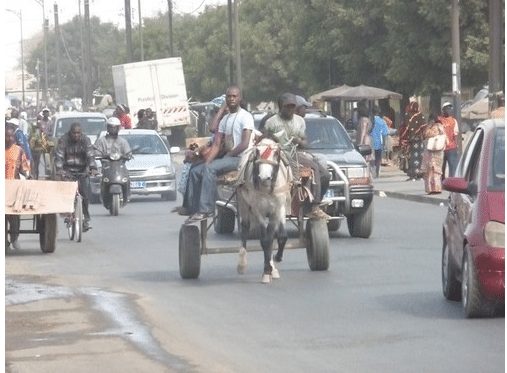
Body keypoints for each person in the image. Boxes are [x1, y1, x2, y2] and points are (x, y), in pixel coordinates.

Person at [185, 86, 254, 222]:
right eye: (229, 96)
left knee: (210, 169)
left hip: (242, 158)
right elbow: (216, 144)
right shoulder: (225, 119)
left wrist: (229, 155)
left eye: (234, 96)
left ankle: (206, 210)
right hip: (229, 158)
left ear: (240, 98)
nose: (232, 99)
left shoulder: (246, 117)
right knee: (196, 170)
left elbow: (245, 144)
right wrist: (208, 161)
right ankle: (194, 209)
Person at [263, 92, 330, 218]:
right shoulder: (271, 122)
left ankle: (314, 204)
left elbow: (304, 143)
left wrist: (298, 141)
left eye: (293, 106)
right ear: (280, 106)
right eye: (287, 106)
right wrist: (273, 139)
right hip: (276, 155)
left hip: (294, 154)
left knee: (324, 174)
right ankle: (314, 207)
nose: (290, 109)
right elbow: (264, 141)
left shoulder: (299, 121)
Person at [54, 123, 99, 231]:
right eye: (74, 133)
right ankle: (67, 213)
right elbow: (59, 155)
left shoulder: (86, 140)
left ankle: (85, 220)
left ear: (81, 133)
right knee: (66, 193)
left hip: (82, 170)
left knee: (85, 195)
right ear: (70, 132)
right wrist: (60, 169)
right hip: (67, 170)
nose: (76, 135)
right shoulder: (63, 140)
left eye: (78, 133)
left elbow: (90, 154)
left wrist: (93, 167)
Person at [94, 117, 133, 205]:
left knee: (127, 177)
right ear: (107, 128)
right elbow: (96, 151)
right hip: (107, 165)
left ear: (118, 128)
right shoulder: (101, 141)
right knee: (102, 179)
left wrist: (128, 156)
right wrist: (101, 155)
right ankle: (103, 193)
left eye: (115, 127)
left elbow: (128, 152)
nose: (113, 129)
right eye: (111, 127)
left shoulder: (122, 141)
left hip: (120, 165)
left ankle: (128, 193)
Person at [5, 124, 31, 250]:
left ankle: (14, 239)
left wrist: (27, 175)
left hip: (14, 189)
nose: (8, 138)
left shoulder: (18, 151)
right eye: (6, 136)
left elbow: (24, 168)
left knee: (14, 216)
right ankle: (4, 241)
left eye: (10, 136)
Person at [421, 113, 447, 194]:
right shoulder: (441, 127)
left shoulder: (433, 128)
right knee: (437, 170)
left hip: (430, 151)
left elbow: (425, 135)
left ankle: (431, 188)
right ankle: (437, 188)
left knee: (429, 170)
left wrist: (428, 125)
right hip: (439, 152)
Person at [401, 101, 425, 181]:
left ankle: (413, 175)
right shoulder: (421, 116)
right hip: (420, 141)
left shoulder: (409, 116)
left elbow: (406, 128)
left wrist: (404, 138)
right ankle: (419, 175)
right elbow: (424, 128)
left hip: (411, 140)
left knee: (412, 157)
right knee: (420, 157)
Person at [438, 102, 459, 178]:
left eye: (450, 108)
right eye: (447, 108)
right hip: (441, 148)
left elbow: (455, 134)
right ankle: (441, 182)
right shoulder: (439, 120)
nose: (448, 110)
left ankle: (451, 183)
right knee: (440, 169)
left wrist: (457, 146)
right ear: (443, 110)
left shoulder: (453, 121)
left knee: (453, 167)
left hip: (451, 148)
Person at [370, 106, 389, 178]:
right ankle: (377, 171)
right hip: (379, 143)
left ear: (372, 112)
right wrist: (385, 144)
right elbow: (385, 134)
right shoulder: (382, 121)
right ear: (378, 112)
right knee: (378, 158)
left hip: (370, 143)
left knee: (372, 158)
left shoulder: (370, 121)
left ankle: (372, 172)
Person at [356, 104, 374, 171]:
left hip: (364, 140)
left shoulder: (362, 120)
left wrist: (359, 144)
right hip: (368, 139)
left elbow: (362, 132)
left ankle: (367, 173)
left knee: (365, 158)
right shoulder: (367, 119)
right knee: (368, 159)